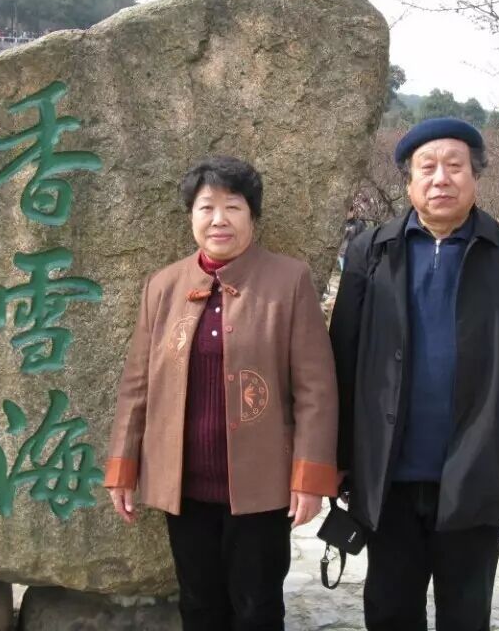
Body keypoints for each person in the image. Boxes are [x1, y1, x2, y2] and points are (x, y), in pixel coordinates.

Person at [329, 118, 499, 631]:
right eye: (427, 167)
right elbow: (342, 354)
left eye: (454, 166)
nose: (441, 178)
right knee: (390, 611)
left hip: (473, 470)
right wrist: (343, 456)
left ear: (475, 176)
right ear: (409, 182)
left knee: (465, 613)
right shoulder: (371, 252)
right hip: (388, 474)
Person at [104, 156, 339, 631]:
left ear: (253, 216)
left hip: (261, 484)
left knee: (257, 608)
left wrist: (310, 478)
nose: (218, 219)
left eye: (233, 207)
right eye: (206, 207)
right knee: (198, 605)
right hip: (185, 484)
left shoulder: (289, 281)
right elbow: (137, 384)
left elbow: (316, 389)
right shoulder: (163, 286)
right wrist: (122, 467)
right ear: (191, 216)